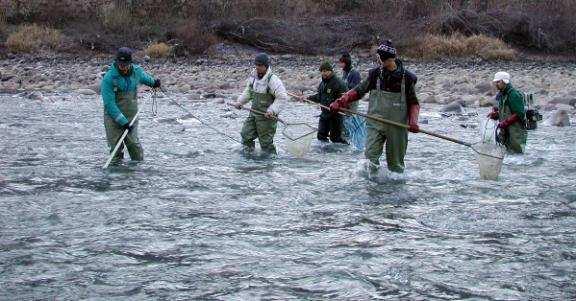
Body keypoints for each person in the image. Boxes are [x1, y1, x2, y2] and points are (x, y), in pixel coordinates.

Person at [330, 40, 420, 173]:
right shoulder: (375, 74)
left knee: (396, 165)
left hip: (397, 126)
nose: (380, 62)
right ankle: (371, 187)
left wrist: (413, 122)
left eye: (382, 59)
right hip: (375, 123)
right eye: (379, 58)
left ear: (391, 59)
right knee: (369, 159)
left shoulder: (407, 78)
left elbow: (414, 103)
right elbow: (358, 90)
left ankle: (395, 189)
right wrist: (341, 101)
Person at [101, 47, 161, 164]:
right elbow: (109, 104)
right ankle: (117, 177)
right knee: (116, 150)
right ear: (117, 62)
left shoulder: (136, 72)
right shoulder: (109, 78)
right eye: (120, 64)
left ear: (130, 63)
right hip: (113, 119)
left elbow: (145, 78)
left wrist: (154, 83)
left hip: (131, 117)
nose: (122, 66)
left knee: (134, 146)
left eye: (125, 64)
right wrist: (123, 122)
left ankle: (136, 174)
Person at [232, 53, 288, 155]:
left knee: (266, 144)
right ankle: (249, 157)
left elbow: (282, 98)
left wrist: (272, 110)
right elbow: (248, 91)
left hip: (267, 118)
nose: (257, 67)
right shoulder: (253, 77)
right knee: (245, 135)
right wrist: (240, 102)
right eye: (256, 65)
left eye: (260, 65)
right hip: (253, 114)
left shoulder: (273, 80)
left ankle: (269, 164)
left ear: (266, 66)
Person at [306, 61, 348, 143]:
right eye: (322, 71)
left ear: (331, 71)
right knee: (321, 136)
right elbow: (319, 97)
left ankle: (344, 153)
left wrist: (339, 107)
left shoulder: (339, 83)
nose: (323, 73)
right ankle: (323, 155)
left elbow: (345, 99)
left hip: (336, 116)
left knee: (335, 139)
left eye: (325, 71)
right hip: (324, 115)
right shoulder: (322, 83)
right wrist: (308, 98)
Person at [487, 71, 527, 153]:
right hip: (506, 130)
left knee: (517, 155)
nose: (496, 84)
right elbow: (505, 112)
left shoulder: (514, 95)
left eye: (498, 82)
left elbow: (520, 113)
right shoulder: (502, 95)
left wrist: (505, 123)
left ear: (505, 81)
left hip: (515, 131)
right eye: (496, 82)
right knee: (506, 153)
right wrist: (496, 114)